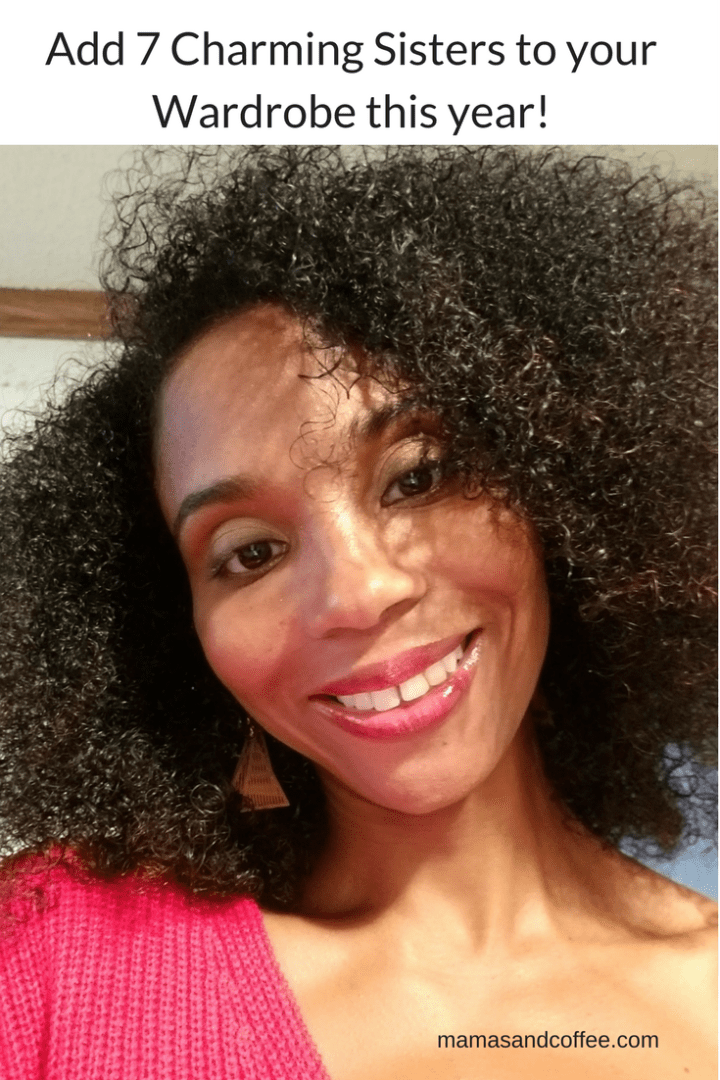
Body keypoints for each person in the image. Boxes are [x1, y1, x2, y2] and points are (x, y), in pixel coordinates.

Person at [0, 145, 716, 1079]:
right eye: (249, 553)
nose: (356, 594)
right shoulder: (51, 957)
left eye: (417, 477)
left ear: (563, 487)